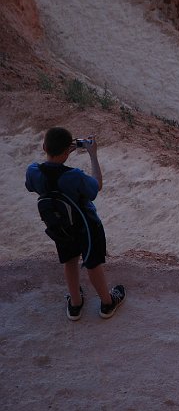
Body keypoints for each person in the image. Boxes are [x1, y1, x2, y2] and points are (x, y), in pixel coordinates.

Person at [25, 127, 125, 320]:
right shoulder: (74, 176)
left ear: (44, 146)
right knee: (92, 262)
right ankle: (107, 303)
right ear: (67, 152)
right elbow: (96, 186)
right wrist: (93, 155)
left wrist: (59, 157)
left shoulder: (33, 172)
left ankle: (75, 304)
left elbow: (31, 186)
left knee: (69, 260)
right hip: (87, 226)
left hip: (60, 226)